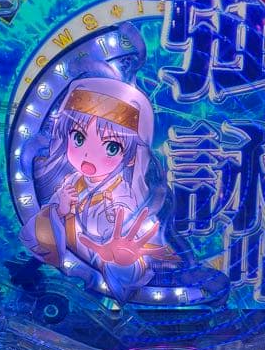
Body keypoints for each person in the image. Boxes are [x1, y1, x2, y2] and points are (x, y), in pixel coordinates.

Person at [20, 76, 178, 302]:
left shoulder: (123, 202)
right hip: (67, 279)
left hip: (99, 290)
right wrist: (60, 210)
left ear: (132, 156)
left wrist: (121, 260)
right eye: (79, 137)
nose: (88, 155)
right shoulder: (73, 181)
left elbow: (129, 274)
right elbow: (39, 238)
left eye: (111, 147)